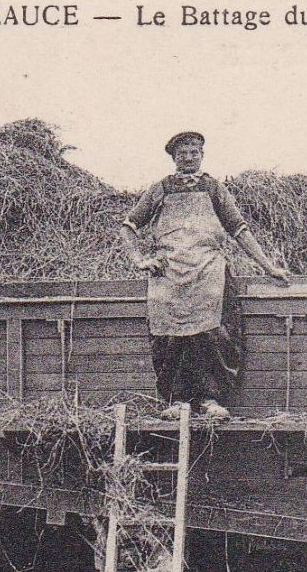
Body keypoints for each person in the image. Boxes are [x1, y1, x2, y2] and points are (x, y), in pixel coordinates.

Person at [118, 131, 291, 420]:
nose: (189, 157)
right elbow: (128, 227)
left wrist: (269, 267)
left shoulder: (213, 188)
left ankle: (212, 399)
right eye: (183, 153)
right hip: (168, 273)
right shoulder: (160, 189)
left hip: (208, 270)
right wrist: (140, 259)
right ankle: (176, 400)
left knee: (213, 336)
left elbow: (239, 229)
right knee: (169, 338)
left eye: (194, 152)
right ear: (174, 157)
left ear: (202, 155)